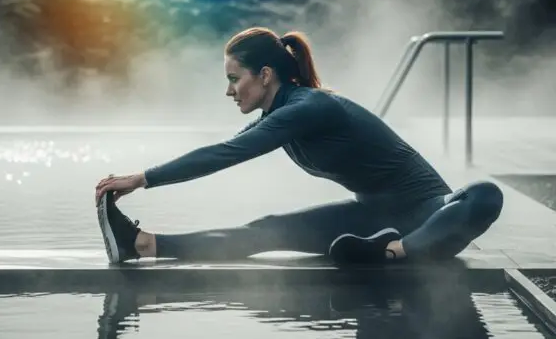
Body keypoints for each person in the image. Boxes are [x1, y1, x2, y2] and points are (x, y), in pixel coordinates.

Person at [93, 26, 505, 266]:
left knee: (486, 194)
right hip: (371, 222)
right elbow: (224, 151)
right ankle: (142, 244)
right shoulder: (279, 116)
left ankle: (395, 252)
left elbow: (224, 154)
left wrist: (141, 179)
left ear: (266, 75)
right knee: (267, 229)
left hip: (430, 217)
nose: (229, 90)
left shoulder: (308, 106)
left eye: (235, 79)